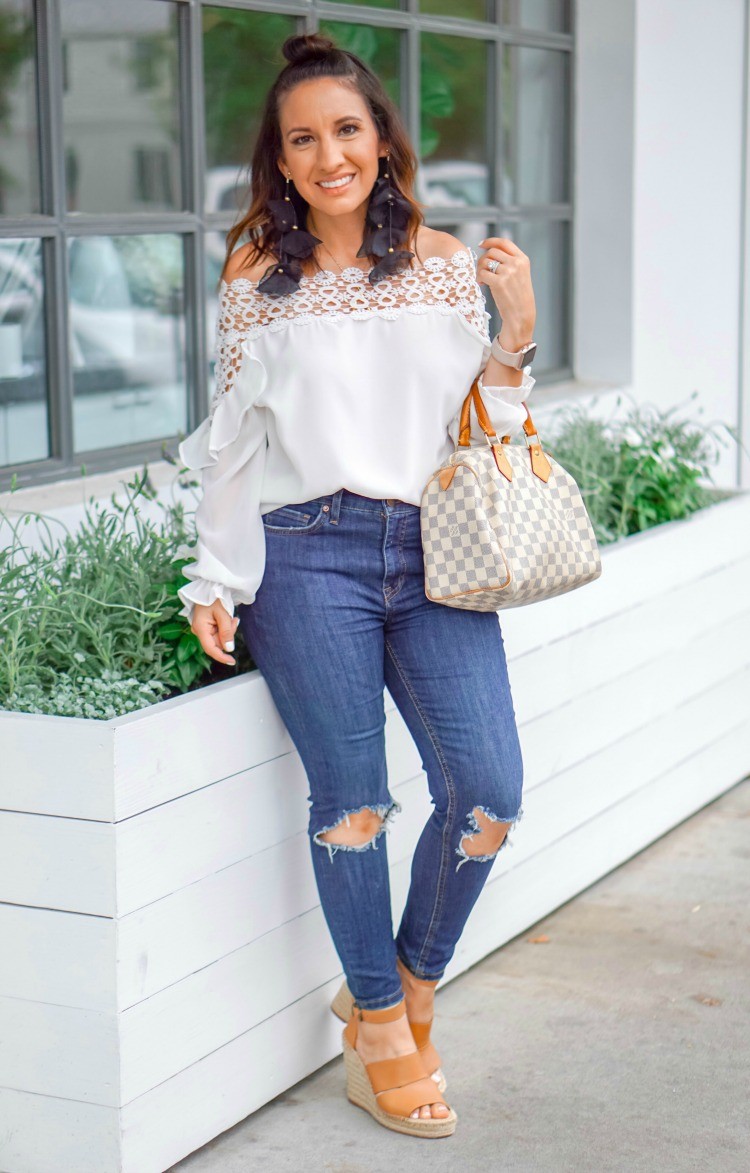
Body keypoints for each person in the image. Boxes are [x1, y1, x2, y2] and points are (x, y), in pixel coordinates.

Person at [177, 32, 537, 1139]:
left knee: (487, 793)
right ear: (280, 164)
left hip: (435, 550)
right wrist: (218, 572)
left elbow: (488, 432)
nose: (328, 153)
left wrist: (512, 336)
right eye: (303, 138)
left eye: (347, 128)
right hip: (307, 554)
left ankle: (406, 984)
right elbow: (236, 448)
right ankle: (380, 1026)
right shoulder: (255, 281)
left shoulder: (442, 264)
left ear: (381, 142)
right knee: (356, 806)